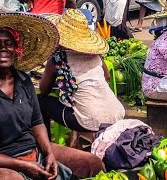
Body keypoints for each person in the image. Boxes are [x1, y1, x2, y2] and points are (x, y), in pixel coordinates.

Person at [0, 12, 105, 180]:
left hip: (33, 152)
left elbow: (37, 122)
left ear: (16, 49)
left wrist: (48, 153)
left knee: (93, 164)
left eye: (8, 43)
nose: (3, 48)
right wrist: (22, 165)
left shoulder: (23, 80)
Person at [38, 9, 125, 139]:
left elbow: (44, 90)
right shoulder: (95, 55)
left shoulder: (58, 58)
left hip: (91, 121)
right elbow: (106, 77)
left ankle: (46, 147)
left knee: (40, 101)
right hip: (116, 112)